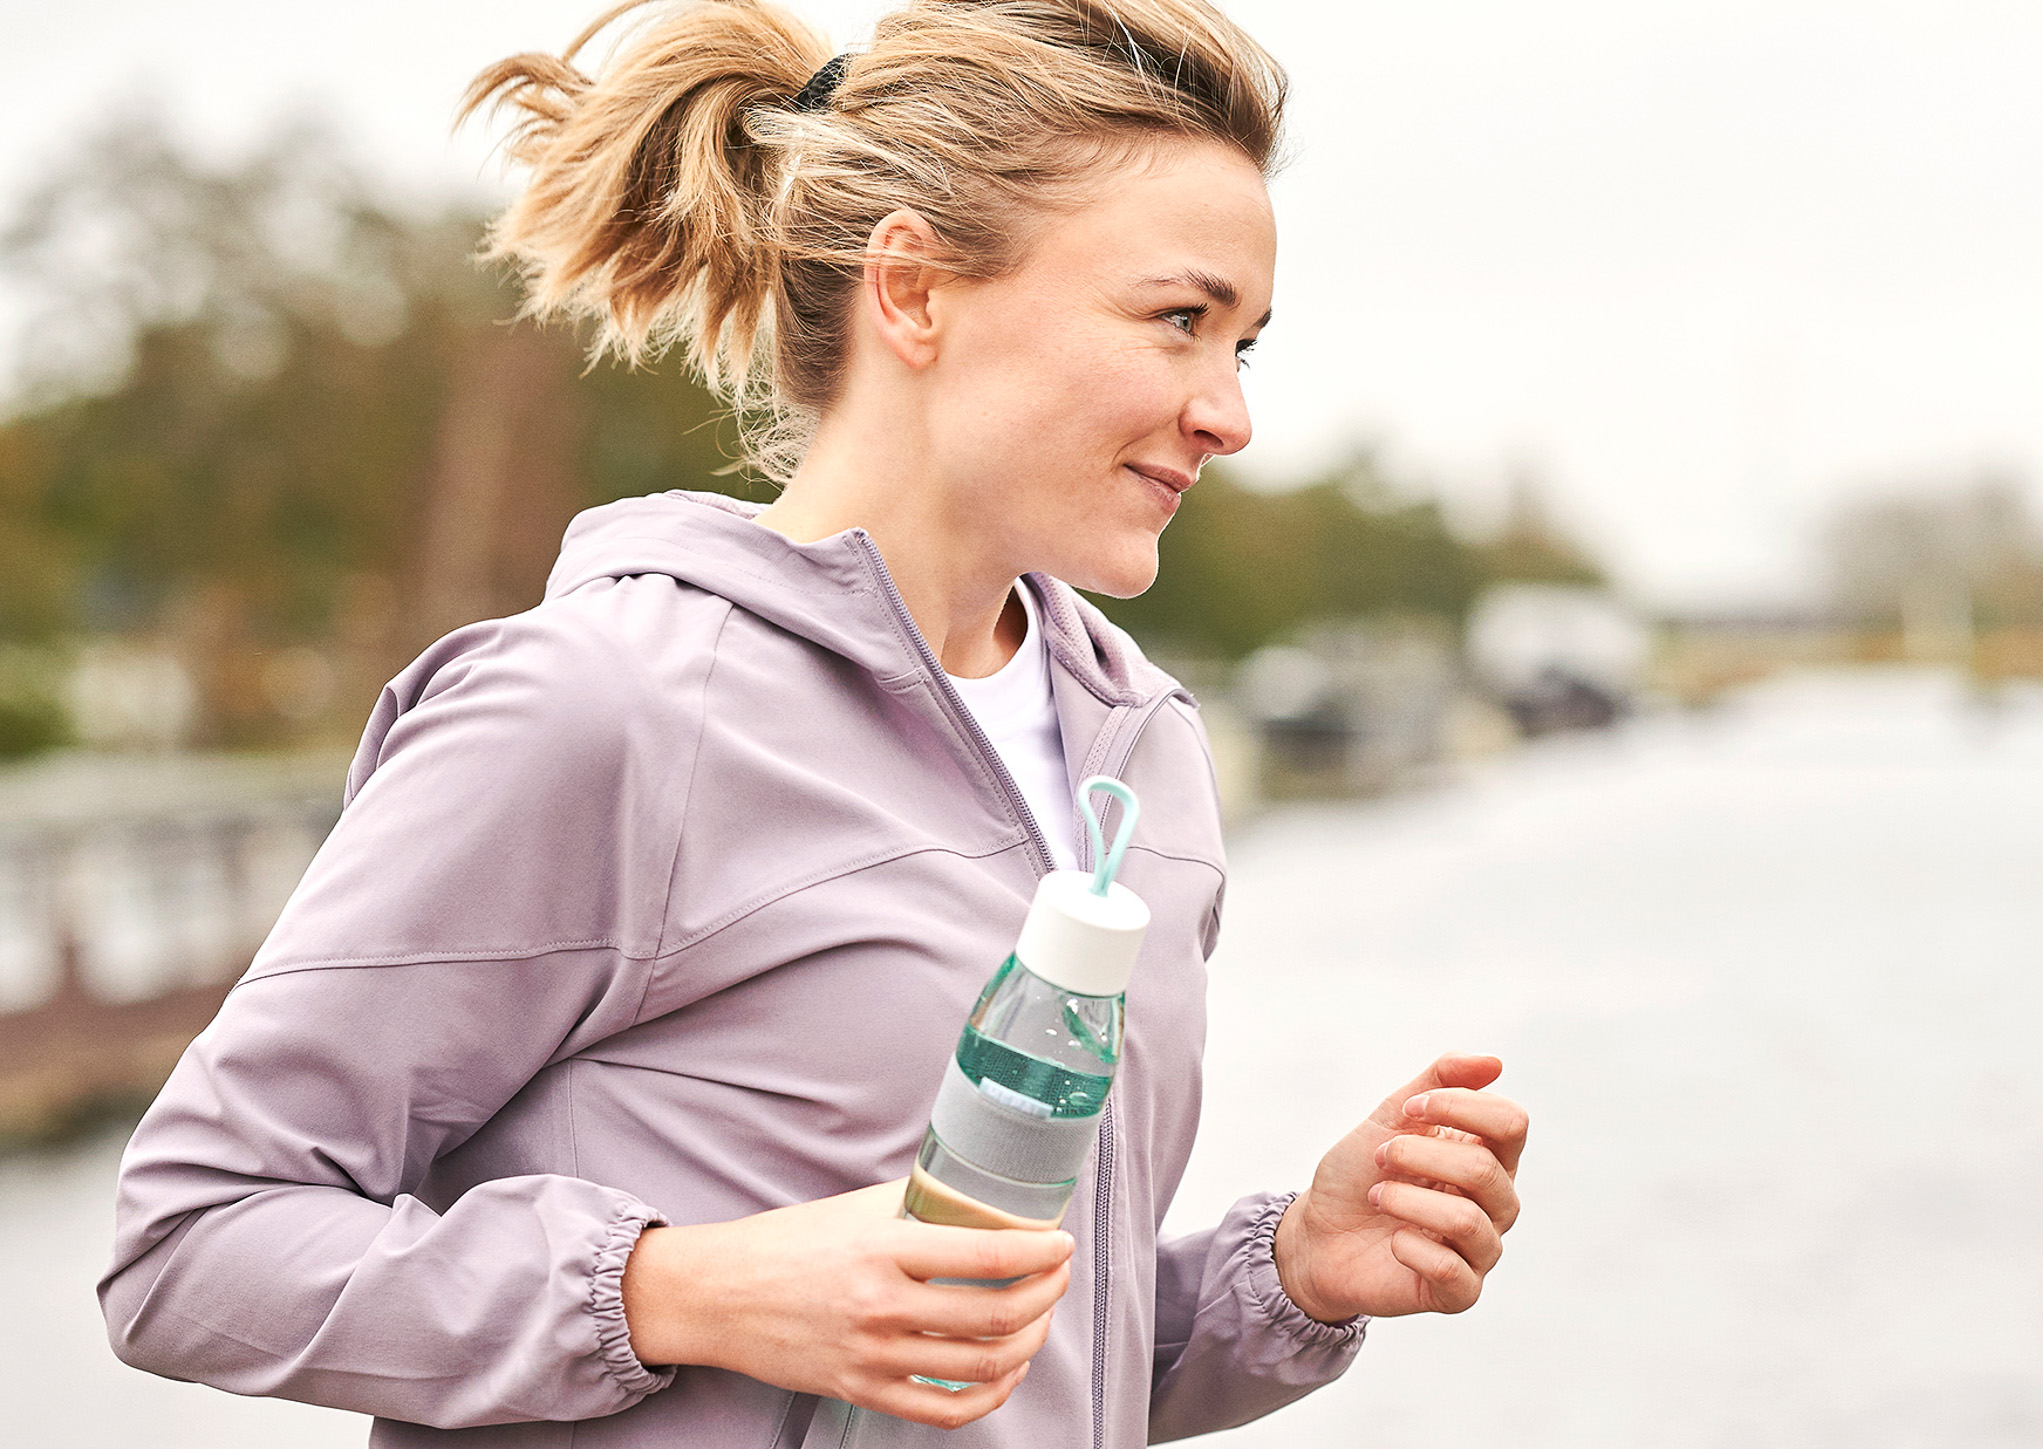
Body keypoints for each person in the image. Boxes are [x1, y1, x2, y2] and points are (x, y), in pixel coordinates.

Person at [99, 2, 1528, 1445]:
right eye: (1178, 321)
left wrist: (1289, 1276)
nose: (1227, 413)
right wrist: (677, 1291)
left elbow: (997, 1368)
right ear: (913, 290)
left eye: (1245, 346)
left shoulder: (1142, 756)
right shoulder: (606, 708)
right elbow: (189, 1243)